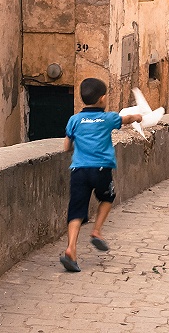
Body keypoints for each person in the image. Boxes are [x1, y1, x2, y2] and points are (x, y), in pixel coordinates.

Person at [59, 78, 143, 273]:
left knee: (76, 211)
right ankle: (96, 231)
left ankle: (71, 248)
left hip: (79, 171)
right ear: (103, 98)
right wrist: (137, 116)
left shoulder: (74, 120)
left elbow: (66, 147)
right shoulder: (108, 118)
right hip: (101, 170)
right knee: (107, 197)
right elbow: (126, 119)